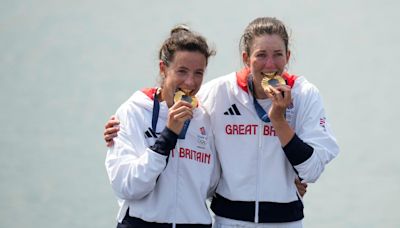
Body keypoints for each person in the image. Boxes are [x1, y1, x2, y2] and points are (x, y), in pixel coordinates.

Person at [105, 17, 339, 227]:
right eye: (261, 55)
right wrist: (122, 124)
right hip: (229, 222)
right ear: (246, 58)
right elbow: (170, 95)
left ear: (287, 57)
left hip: (285, 221)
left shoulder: (304, 95)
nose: (270, 65)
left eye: (278, 54)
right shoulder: (218, 93)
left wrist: (279, 125)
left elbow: (311, 170)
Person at [105, 25, 220, 227]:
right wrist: (168, 136)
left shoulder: (204, 118)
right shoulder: (134, 112)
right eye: (182, 71)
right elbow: (127, 186)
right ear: (163, 68)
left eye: (198, 73)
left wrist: (291, 181)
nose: (190, 82)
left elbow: (213, 184)